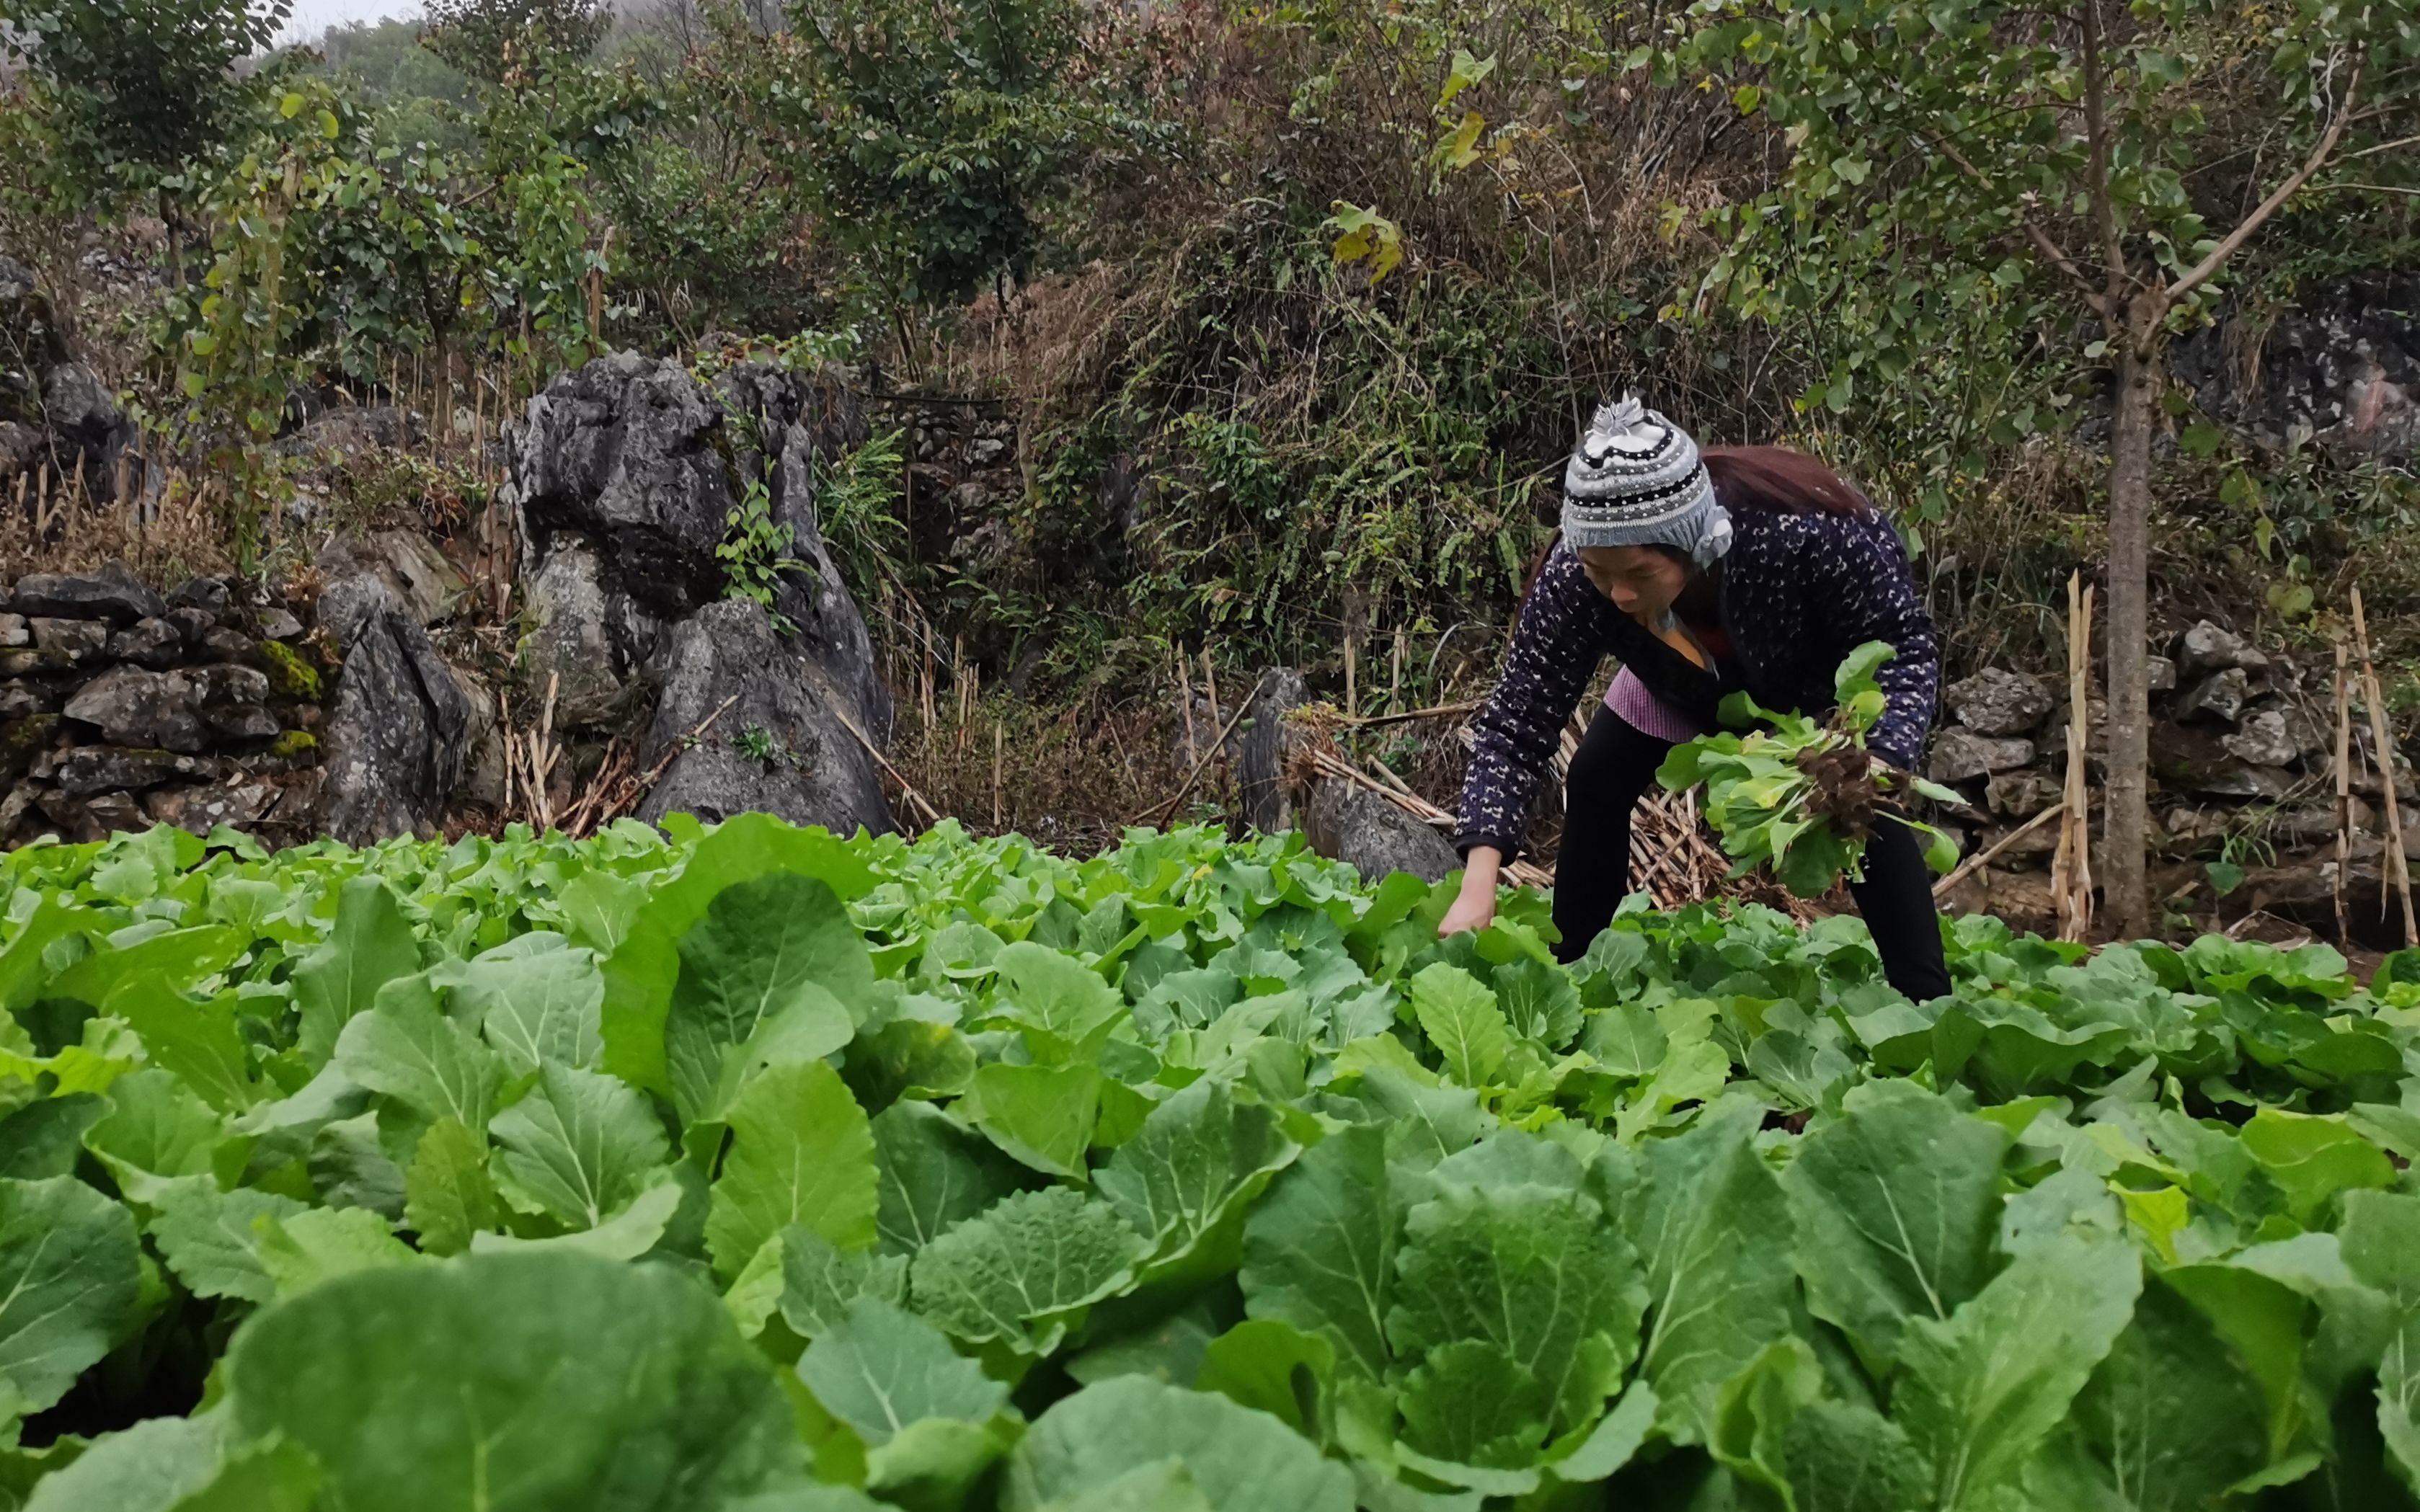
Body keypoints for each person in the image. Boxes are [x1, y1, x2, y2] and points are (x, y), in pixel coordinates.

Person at [1440, 395, 1952, 1002]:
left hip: (1811, 691)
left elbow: (1902, 645)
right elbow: (1516, 726)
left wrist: (1879, 759)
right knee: (1598, 775)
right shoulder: (1579, 576)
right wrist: (1478, 885)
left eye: (1637, 574)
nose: (1619, 595)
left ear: (1690, 543)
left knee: (1863, 805)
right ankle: (1574, 973)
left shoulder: (1806, 533)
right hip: (1674, 677)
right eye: (1601, 574)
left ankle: (1927, 1004)